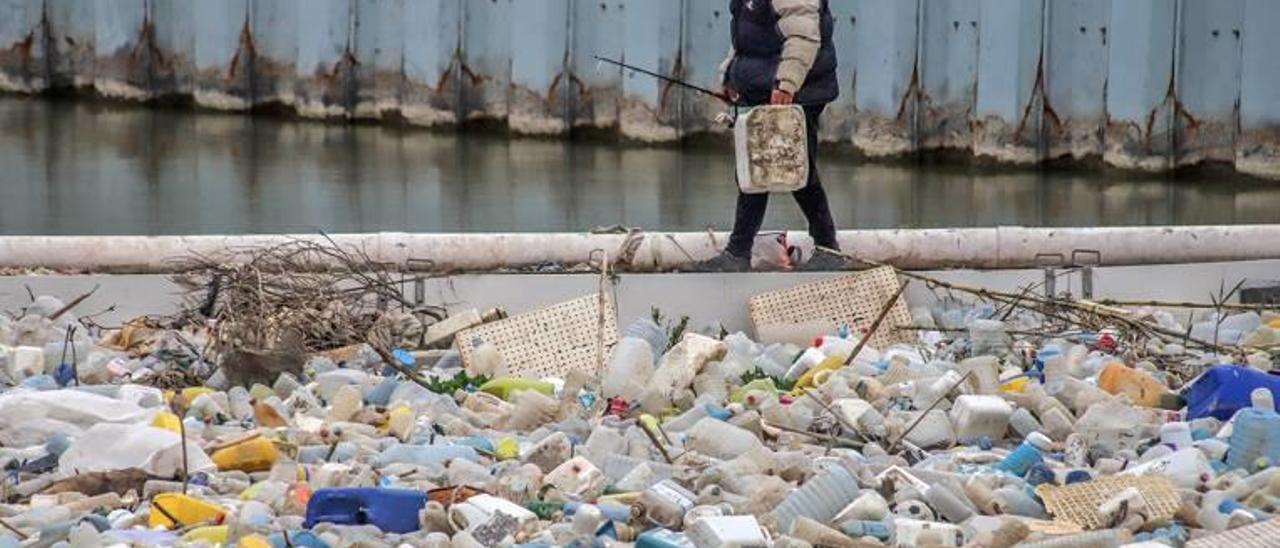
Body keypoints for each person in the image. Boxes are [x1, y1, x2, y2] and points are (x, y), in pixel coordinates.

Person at [691, 0, 846, 272]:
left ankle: (827, 248)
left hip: (797, 90)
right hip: (764, 86)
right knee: (754, 170)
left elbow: (803, 35)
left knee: (799, 170)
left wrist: (786, 83)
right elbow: (747, 37)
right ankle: (739, 252)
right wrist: (731, 75)